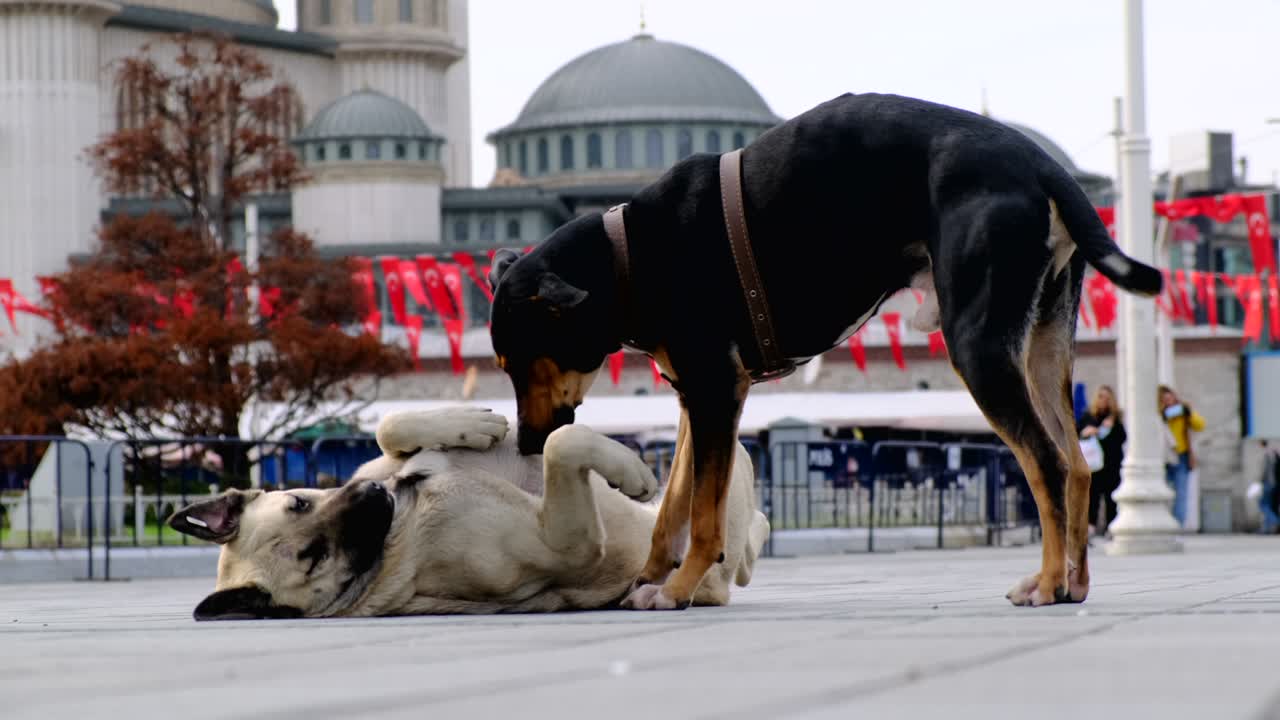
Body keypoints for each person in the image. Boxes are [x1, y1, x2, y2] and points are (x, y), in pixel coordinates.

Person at [1077, 385, 1126, 536]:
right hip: (1094, 464)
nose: (1104, 400)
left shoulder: (1115, 418)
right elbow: (1077, 434)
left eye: (1107, 397)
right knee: (1092, 496)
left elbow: (1123, 438)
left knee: (1111, 497)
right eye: (1101, 396)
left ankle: (1110, 526)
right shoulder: (1088, 416)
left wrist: (1111, 428)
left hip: (1112, 463)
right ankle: (1091, 525)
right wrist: (1088, 432)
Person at [1158, 385, 1205, 528]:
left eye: (1170, 398)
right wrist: (1164, 415)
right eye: (1165, 399)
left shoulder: (1183, 413)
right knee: (1162, 491)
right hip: (1163, 457)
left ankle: (1177, 524)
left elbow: (1200, 425)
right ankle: (1162, 521)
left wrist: (1188, 413)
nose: (1169, 401)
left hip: (1181, 455)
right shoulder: (1159, 416)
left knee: (1181, 492)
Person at [1259, 441, 1280, 534]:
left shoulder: (1266, 455)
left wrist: (1260, 481)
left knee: (1263, 505)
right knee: (1268, 505)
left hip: (1268, 484)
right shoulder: (1272, 455)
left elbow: (1265, 471)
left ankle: (1275, 520)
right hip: (1272, 484)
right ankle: (1266, 528)